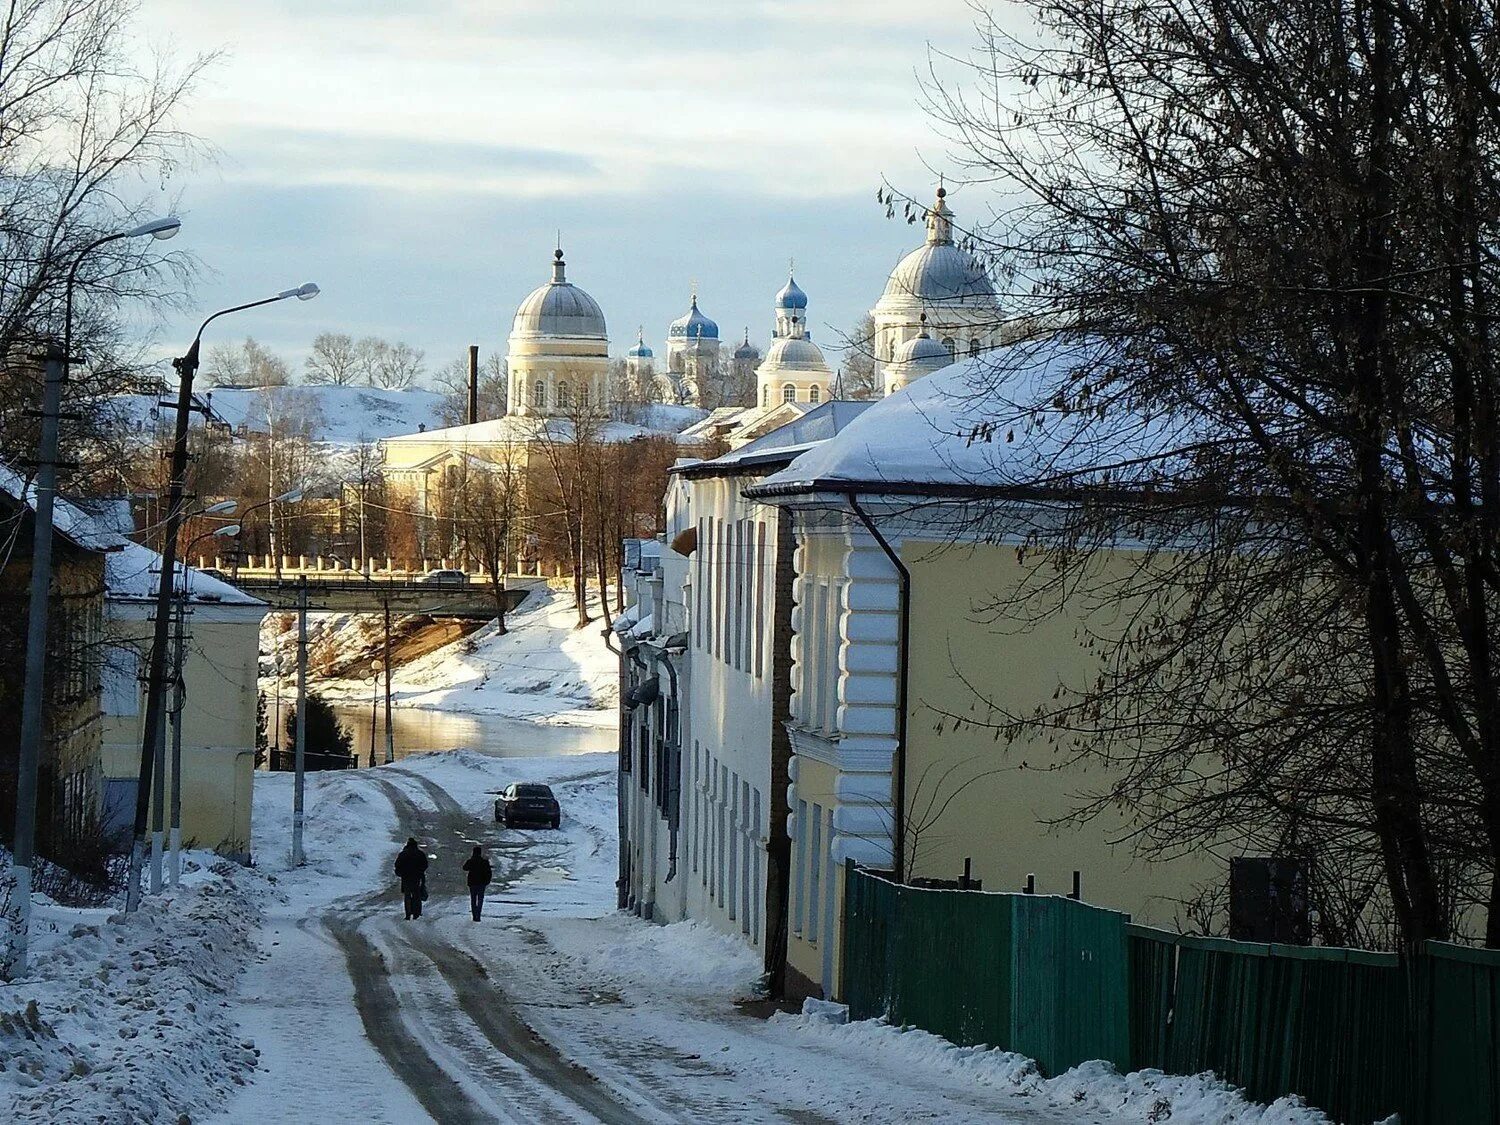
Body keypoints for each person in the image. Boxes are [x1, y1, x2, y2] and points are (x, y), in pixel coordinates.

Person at [394, 837, 429, 920]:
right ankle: (417, 913)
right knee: (417, 895)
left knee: (407, 896)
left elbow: (397, 865)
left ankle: (408, 914)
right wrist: (420, 872)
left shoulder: (403, 854)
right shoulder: (420, 853)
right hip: (417, 877)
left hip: (406, 877)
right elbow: (425, 865)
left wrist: (401, 873)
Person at [462, 845, 493, 921]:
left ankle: (474, 915)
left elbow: (464, 868)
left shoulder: (471, 861)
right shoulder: (484, 862)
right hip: (482, 883)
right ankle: (478, 914)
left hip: (472, 883)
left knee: (473, 899)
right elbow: (489, 872)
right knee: (480, 899)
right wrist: (487, 881)